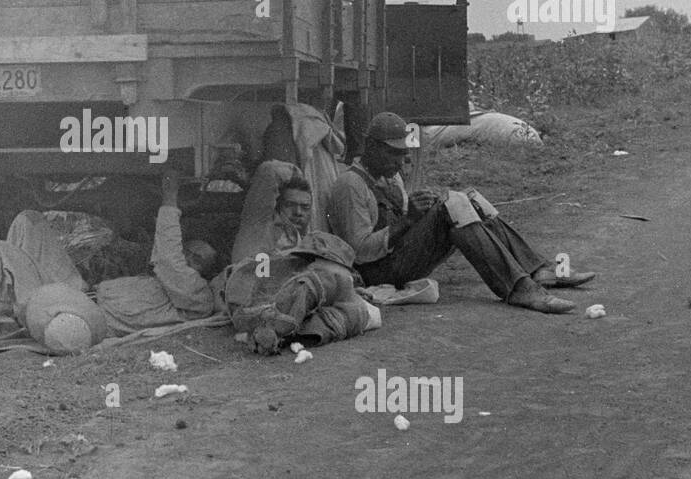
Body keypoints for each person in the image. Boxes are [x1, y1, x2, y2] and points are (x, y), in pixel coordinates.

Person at [0, 172, 223, 360]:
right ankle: (7, 305)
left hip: (80, 312)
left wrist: (170, 198)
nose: (188, 259)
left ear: (205, 274)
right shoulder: (168, 282)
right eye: (189, 252)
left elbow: (169, 258)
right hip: (77, 292)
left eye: (197, 259)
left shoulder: (197, 296)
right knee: (28, 220)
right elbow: (169, 258)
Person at [326, 111, 595, 315]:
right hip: (377, 272)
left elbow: (405, 220)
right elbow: (359, 251)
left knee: (467, 198)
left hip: (399, 258)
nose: (400, 163)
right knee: (450, 207)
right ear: (371, 148)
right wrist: (410, 220)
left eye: (403, 155)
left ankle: (540, 269)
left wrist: (422, 206)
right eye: (393, 155)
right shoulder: (350, 186)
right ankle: (519, 289)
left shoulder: (388, 178)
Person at [222, 230, 379, 355]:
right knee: (356, 312)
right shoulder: (331, 280)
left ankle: (278, 327)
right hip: (262, 305)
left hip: (247, 302)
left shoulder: (282, 265)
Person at [230, 159, 314, 264]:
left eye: (305, 207)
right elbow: (270, 171)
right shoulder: (259, 229)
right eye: (289, 205)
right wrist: (296, 174)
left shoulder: (308, 243)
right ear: (277, 208)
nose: (298, 212)